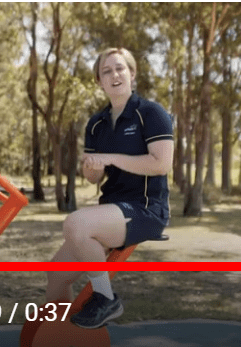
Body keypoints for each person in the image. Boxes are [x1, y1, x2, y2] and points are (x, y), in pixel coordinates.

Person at [45, 47, 174, 329]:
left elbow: (161, 164)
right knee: (56, 274)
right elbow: (93, 179)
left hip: (146, 210)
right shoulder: (96, 124)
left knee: (76, 224)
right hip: (111, 210)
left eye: (120, 68)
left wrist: (112, 158)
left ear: (132, 74)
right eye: (106, 71)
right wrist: (93, 168)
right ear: (99, 81)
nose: (114, 75)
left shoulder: (152, 113)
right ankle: (61, 336)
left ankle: (106, 298)